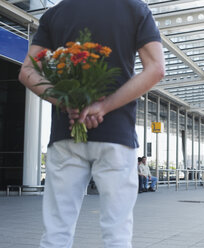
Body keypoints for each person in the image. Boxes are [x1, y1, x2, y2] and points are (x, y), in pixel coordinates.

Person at [18, 0, 165, 247]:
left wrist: (67, 103)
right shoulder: (134, 8)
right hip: (116, 137)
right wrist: (103, 107)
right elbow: (156, 69)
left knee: (56, 232)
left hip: (66, 135)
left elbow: (27, 72)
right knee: (116, 232)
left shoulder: (55, 13)